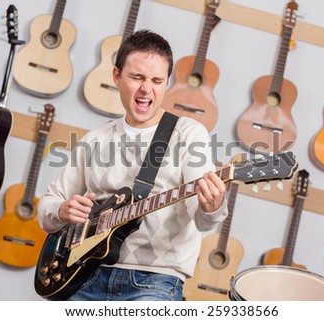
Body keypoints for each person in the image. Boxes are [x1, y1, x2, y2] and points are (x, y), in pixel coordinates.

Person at [37, 29, 228, 301]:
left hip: (154, 282)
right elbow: (47, 206)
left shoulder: (188, 134)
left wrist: (213, 206)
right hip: (84, 275)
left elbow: (202, 217)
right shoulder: (95, 140)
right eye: (137, 77)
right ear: (117, 76)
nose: (146, 89)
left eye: (157, 80)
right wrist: (61, 209)